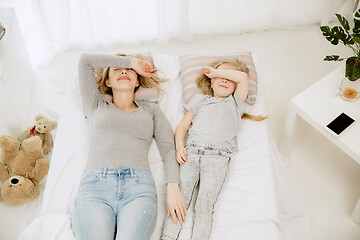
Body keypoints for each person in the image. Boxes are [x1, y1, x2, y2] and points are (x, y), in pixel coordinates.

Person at [72, 53, 186, 240]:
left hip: (139, 190)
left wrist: (173, 186)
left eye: (130, 71)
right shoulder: (95, 106)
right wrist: (131, 63)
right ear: (107, 82)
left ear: (137, 82)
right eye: (116, 69)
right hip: (95, 188)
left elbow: (168, 148)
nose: (124, 71)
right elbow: (85, 61)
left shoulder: (151, 110)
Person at [161, 58, 267, 240]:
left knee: (204, 204)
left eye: (228, 77)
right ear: (210, 81)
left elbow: (242, 77)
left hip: (218, 159)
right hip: (191, 154)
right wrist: (179, 147)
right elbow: (182, 127)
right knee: (181, 200)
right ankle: (167, 237)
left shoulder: (235, 104)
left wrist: (217, 72)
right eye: (220, 76)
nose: (225, 80)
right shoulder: (200, 100)